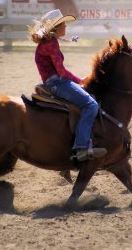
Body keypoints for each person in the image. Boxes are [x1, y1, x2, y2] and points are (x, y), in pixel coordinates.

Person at [28, 9, 107, 162]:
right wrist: (80, 80)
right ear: (56, 28)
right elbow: (61, 71)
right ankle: (81, 147)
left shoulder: (48, 42)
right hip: (57, 82)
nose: (66, 27)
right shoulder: (51, 43)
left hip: (54, 81)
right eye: (63, 24)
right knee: (91, 105)